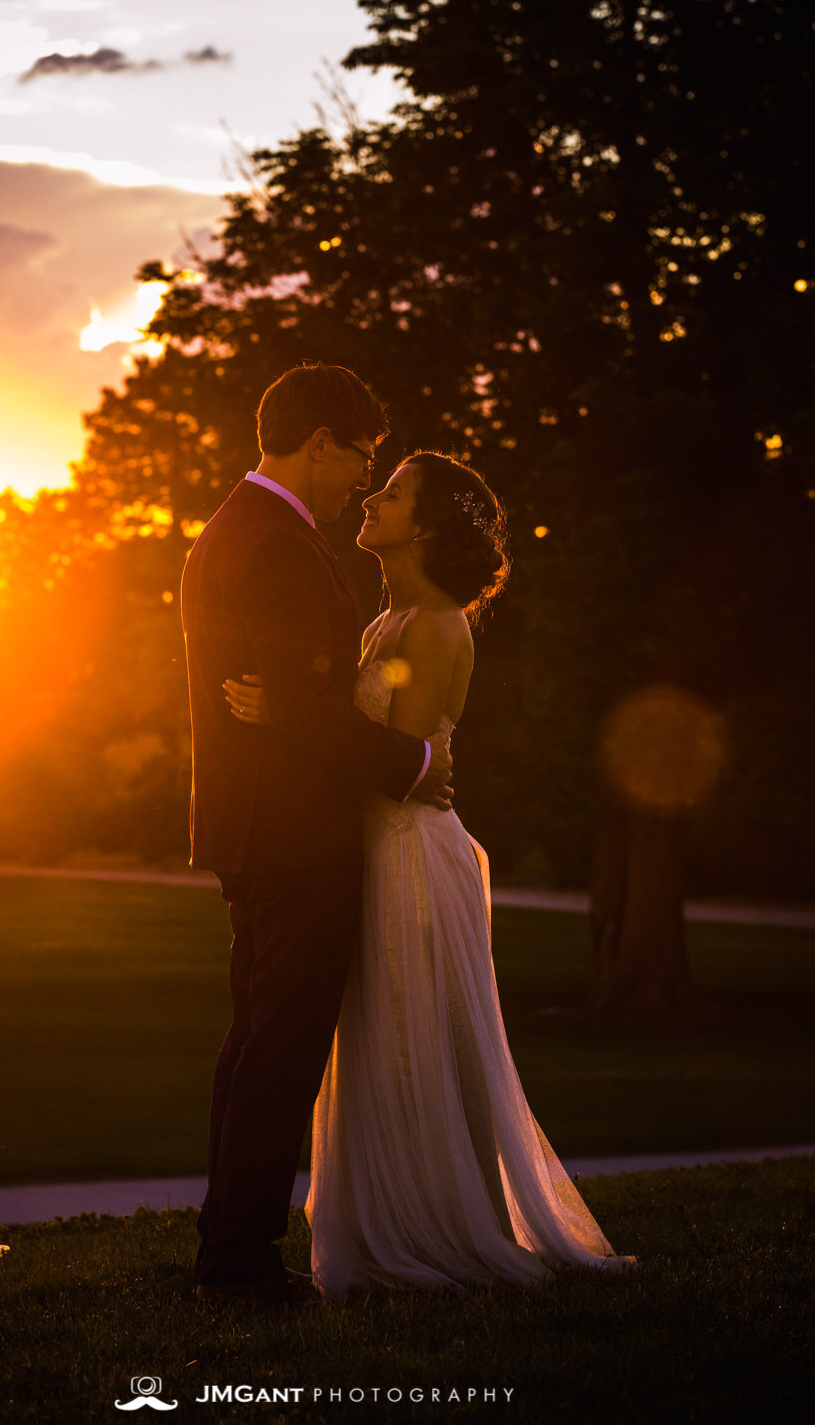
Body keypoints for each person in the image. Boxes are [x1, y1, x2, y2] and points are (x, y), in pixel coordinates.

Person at [226, 449, 638, 1296]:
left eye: (395, 493)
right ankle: (382, 1226)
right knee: (378, 1038)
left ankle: (441, 1230)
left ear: (429, 528)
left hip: (410, 854)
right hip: (372, 849)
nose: (372, 500)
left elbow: (392, 763)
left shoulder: (439, 624)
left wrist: (290, 719)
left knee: (415, 1041)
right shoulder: (384, 622)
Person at [180, 364, 454, 1306]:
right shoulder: (278, 547)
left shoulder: (233, 529)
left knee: (252, 1044)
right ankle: (242, 1264)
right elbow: (298, 699)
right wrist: (415, 766)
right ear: (321, 444)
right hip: (294, 832)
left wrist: (289, 705)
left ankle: (228, 1246)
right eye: (360, 458)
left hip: (254, 826)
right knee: (281, 1051)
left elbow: (288, 697)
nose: (360, 481)